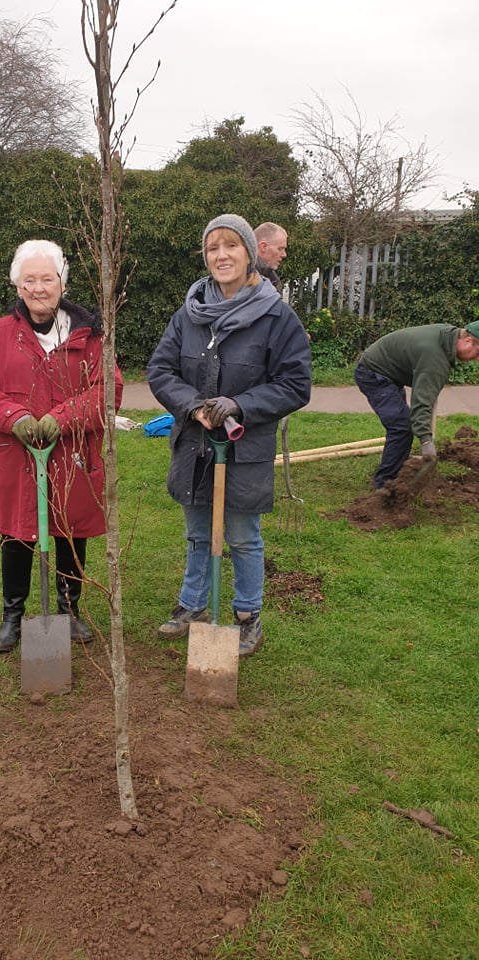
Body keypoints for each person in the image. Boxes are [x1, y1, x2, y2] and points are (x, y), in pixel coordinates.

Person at [147, 214, 311, 658]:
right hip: (195, 443)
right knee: (198, 532)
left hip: (245, 447)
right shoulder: (190, 312)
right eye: (212, 247)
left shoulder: (276, 315)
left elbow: (296, 385)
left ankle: (246, 616)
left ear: (249, 253)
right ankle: (193, 605)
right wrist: (193, 405)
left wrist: (240, 405)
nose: (221, 255)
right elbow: (160, 370)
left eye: (231, 246)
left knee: (241, 535)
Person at [0, 239, 123, 653]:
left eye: (47, 279)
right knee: (16, 535)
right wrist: (14, 418)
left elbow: (108, 389)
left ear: (62, 284)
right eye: (29, 280)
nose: (38, 288)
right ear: (17, 286)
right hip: (17, 457)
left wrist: (63, 418)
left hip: (70, 456)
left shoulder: (88, 335)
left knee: (71, 531)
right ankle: (12, 617)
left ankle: (70, 612)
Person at [354, 321, 479, 488]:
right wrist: (427, 444)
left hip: (388, 371)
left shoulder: (447, 336)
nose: (477, 359)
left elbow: (425, 393)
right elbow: (421, 404)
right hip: (373, 373)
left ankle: (398, 468)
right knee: (401, 427)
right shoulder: (435, 359)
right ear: (468, 341)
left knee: (404, 425)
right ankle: (385, 485)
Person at [254, 222, 288, 294]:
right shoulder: (241, 279)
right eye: (280, 249)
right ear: (263, 247)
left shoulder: (270, 278)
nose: (284, 255)